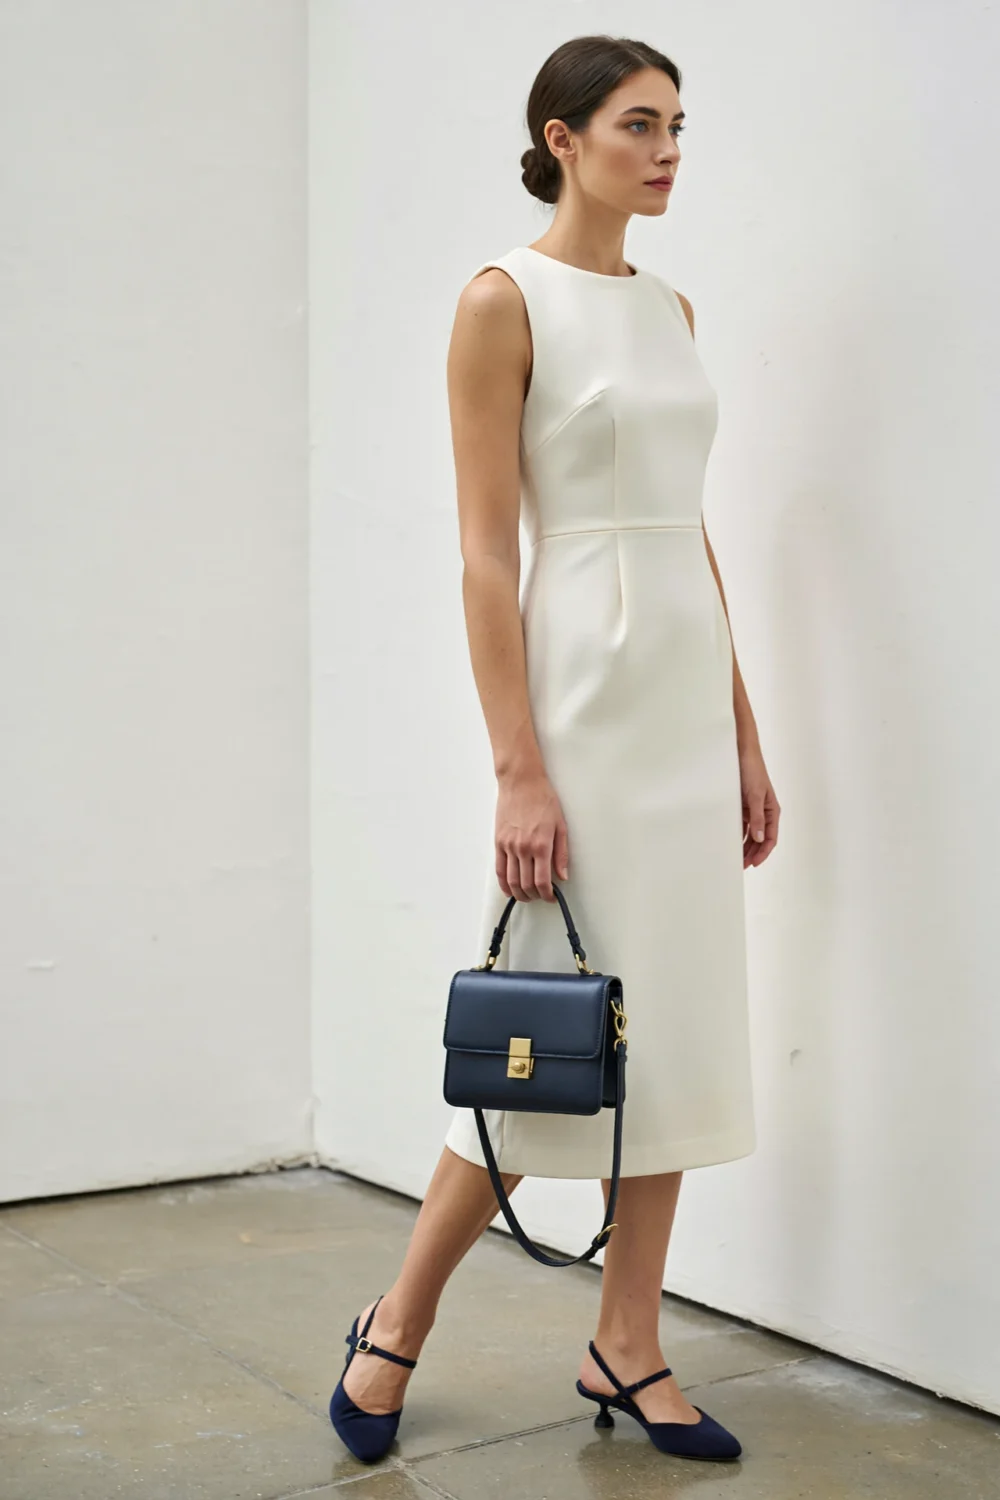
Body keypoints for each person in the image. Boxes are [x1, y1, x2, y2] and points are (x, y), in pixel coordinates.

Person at [330, 32, 780, 1467]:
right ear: (561, 134)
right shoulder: (499, 300)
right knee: (540, 1033)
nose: (667, 152)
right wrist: (517, 765)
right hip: (579, 691)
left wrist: (745, 737)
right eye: (640, 125)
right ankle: (396, 1320)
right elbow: (482, 554)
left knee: (678, 1031)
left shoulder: (674, 309)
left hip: (680, 704)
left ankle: (627, 1340)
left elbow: (691, 532)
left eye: (678, 128)